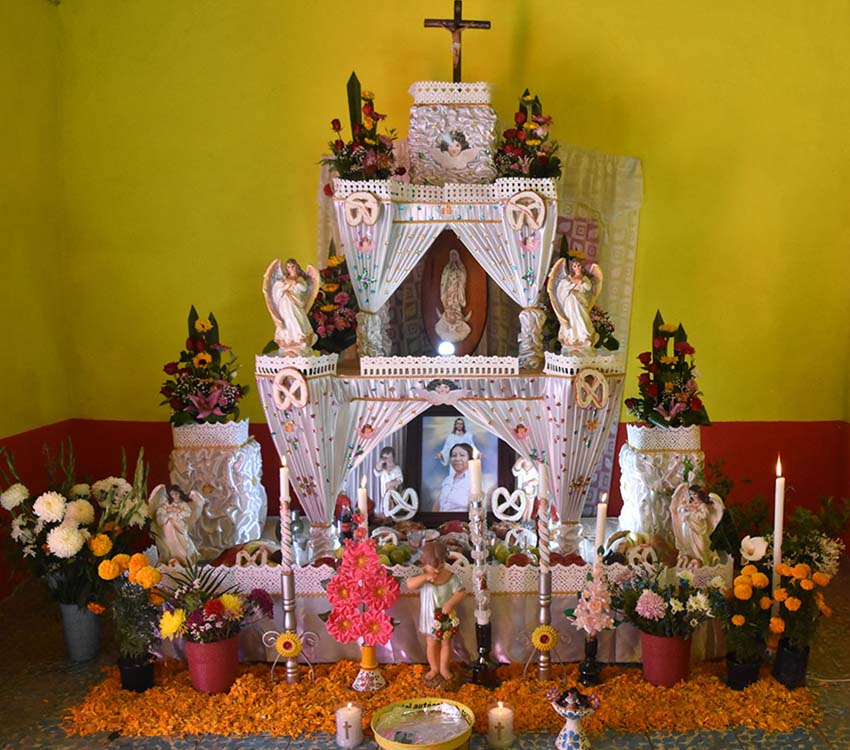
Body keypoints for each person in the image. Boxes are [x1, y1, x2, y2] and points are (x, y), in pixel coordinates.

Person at [406, 540, 466, 688]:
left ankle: (444, 668)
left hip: (445, 616)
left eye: (441, 565)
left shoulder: (450, 577)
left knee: (446, 643)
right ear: (424, 563)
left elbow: (460, 592)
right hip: (429, 617)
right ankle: (434, 668)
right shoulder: (423, 576)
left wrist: (450, 603)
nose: (437, 570)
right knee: (431, 643)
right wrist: (425, 577)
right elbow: (409, 584)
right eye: (432, 567)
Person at [148, 484, 205, 566]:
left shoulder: (183, 504)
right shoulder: (166, 504)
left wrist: (178, 511)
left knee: (183, 541)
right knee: (169, 531)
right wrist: (168, 513)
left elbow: (188, 513)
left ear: (180, 494)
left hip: (179, 526)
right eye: (172, 494)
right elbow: (160, 513)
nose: (175, 496)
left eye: (176, 494)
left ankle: (184, 557)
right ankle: (173, 556)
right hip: (168, 526)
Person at [670, 483, 724, 567]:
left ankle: (703, 563)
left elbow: (704, 516)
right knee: (689, 546)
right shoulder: (689, 503)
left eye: (695, 494)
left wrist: (695, 511)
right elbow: (679, 510)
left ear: (699, 494)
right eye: (691, 494)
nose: (693, 496)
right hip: (689, 528)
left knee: (701, 546)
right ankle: (691, 563)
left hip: (699, 529)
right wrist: (685, 508)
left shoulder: (702, 505)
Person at [272, 258, 317, 355]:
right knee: (287, 320)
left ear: (296, 267)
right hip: (285, 303)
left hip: (295, 303)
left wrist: (294, 283)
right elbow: (278, 289)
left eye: (292, 266)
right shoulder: (284, 278)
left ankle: (299, 338)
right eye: (288, 267)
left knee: (296, 318)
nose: (290, 269)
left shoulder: (299, 279)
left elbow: (304, 288)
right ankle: (289, 341)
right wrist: (285, 286)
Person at [556, 258, 596, 349]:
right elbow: (563, 287)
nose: (577, 268)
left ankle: (583, 335)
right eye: (574, 266)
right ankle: (571, 337)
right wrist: (571, 284)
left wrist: (580, 282)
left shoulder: (584, 278)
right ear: (572, 268)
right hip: (570, 300)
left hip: (580, 301)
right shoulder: (569, 278)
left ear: (581, 267)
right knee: (571, 316)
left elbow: (588, 288)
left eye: (579, 265)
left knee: (581, 316)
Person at [435, 249, 471, 343]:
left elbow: (463, 275)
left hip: (457, 290)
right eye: (452, 256)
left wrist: (459, 277)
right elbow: (444, 280)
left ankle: (456, 312)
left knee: (456, 301)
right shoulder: (447, 268)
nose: (454, 258)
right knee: (449, 301)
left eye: (455, 256)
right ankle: (449, 311)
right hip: (448, 290)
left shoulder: (460, 268)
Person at [435, 443, 472, 513]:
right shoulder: (447, 479)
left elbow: (474, 511)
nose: (457, 459)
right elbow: (437, 505)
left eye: (462, 455)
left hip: (462, 522)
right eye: (454, 455)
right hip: (442, 522)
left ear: (469, 458)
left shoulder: (473, 481)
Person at [373, 446, 403, 518]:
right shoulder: (382, 470)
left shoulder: (396, 468)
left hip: (394, 492)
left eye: (390, 458)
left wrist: (393, 483)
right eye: (385, 458)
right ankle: (386, 517)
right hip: (384, 492)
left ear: (393, 458)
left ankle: (393, 516)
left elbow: (400, 480)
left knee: (393, 504)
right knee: (385, 505)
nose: (388, 460)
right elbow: (376, 473)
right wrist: (379, 465)